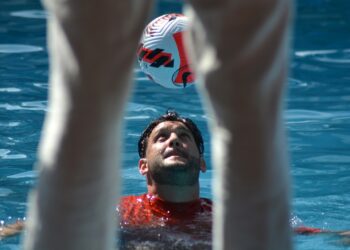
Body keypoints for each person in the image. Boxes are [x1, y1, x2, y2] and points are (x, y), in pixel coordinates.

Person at [23, 0, 295, 250]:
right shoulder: (117, 212)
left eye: (183, 136)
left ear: (203, 162)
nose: (174, 141)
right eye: (161, 137)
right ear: (142, 165)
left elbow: (311, 235)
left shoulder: (226, 216)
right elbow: (24, 227)